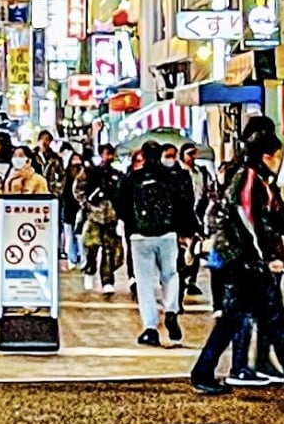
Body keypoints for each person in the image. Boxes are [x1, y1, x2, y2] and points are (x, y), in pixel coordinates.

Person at [189, 119, 284, 396]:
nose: (279, 161)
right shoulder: (248, 178)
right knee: (239, 319)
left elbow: (267, 217)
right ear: (265, 156)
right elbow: (247, 221)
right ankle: (204, 371)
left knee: (269, 317)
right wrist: (262, 256)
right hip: (244, 262)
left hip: (248, 260)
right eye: (277, 156)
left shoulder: (257, 179)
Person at [124, 139, 197, 347]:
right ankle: (172, 309)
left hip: (140, 237)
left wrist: (131, 226)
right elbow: (184, 204)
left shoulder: (132, 178)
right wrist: (187, 231)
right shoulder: (172, 178)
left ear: (143, 156)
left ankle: (150, 328)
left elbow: (121, 205)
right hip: (168, 234)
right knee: (171, 274)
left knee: (145, 283)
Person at [81, 145, 125, 294]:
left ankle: (107, 280)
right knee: (91, 248)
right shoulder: (90, 172)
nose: (109, 157)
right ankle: (89, 271)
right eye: (106, 154)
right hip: (94, 216)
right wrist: (86, 205)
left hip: (110, 217)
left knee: (109, 251)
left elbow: (121, 195)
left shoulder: (117, 175)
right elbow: (78, 189)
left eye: (111, 154)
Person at [178, 143, 214, 301]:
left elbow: (208, 192)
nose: (192, 157)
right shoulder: (177, 174)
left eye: (194, 154)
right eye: (189, 154)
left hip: (198, 215)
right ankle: (181, 278)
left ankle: (191, 280)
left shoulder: (201, 173)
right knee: (182, 251)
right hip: (182, 216)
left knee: (197, 249)